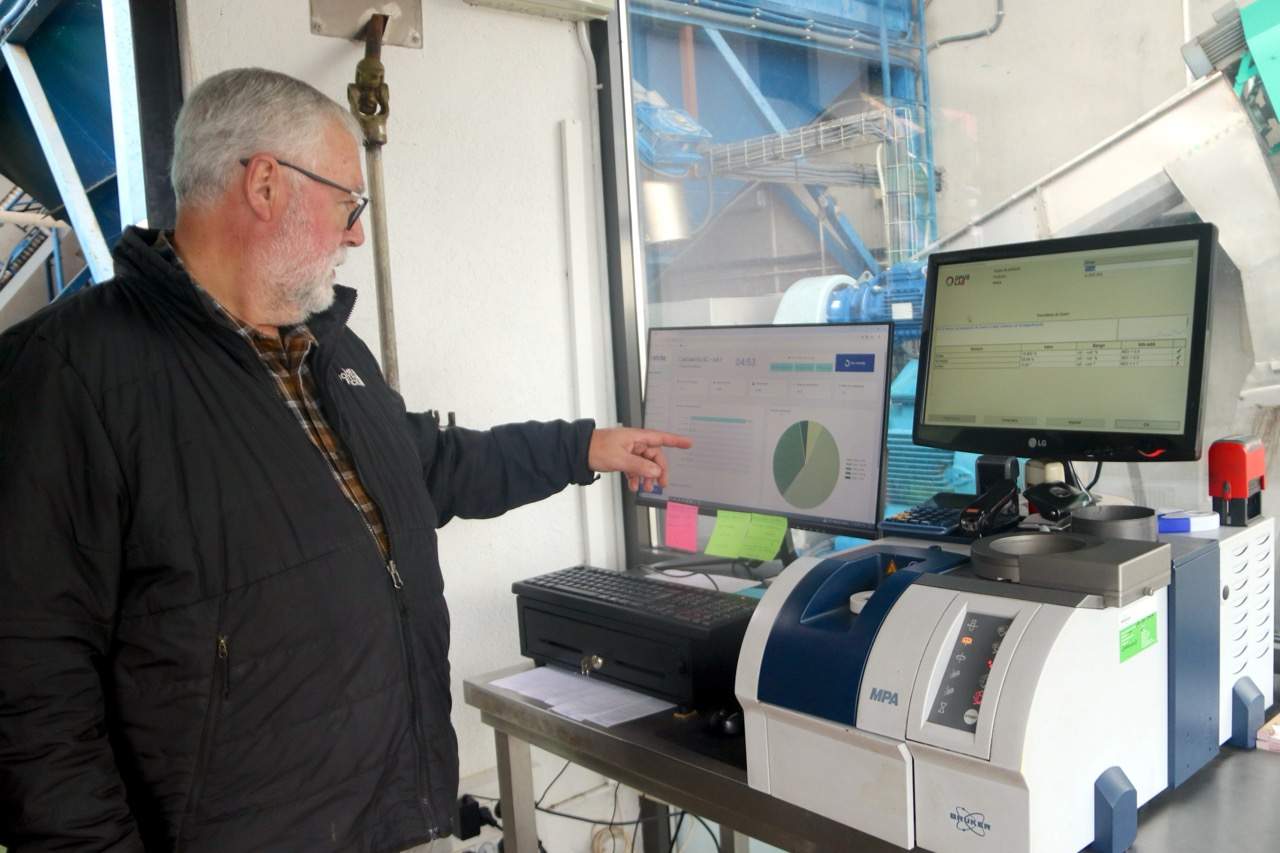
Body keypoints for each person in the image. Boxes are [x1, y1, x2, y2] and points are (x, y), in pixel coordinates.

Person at [0, 67, 690, 853]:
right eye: (347, 202)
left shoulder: (327, 347)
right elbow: (31, 690)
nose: (357, 232)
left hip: (391, 815)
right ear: (264, 184)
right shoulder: (69, 374)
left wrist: (585, 448)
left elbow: (424, 466)